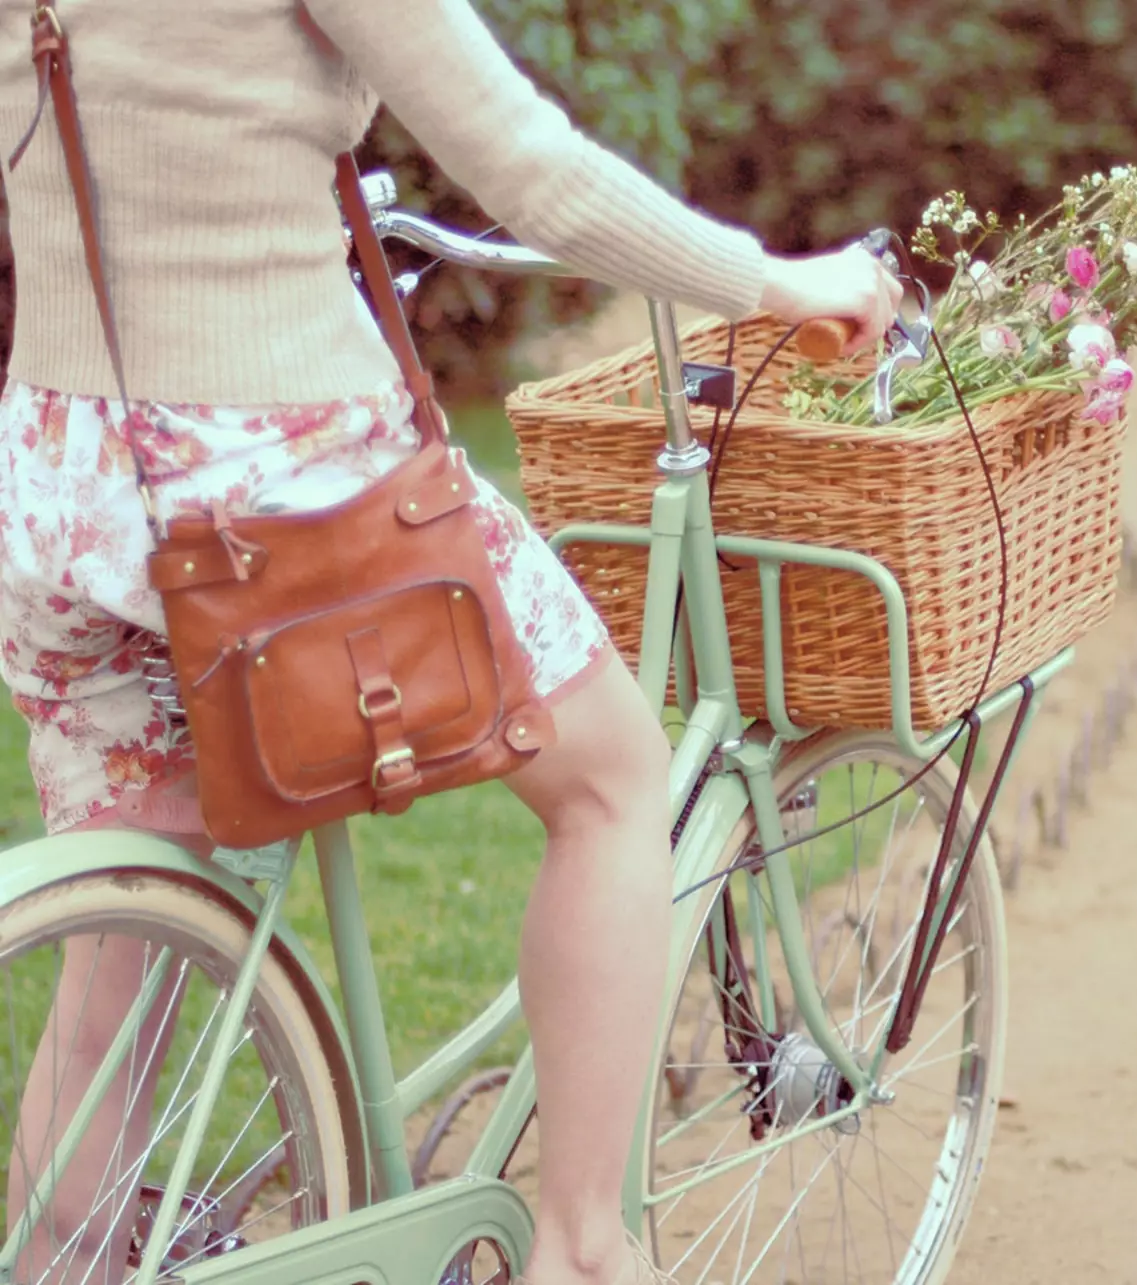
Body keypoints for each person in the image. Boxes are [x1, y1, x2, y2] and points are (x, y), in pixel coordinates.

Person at [0, 0, 902, 1282]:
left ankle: (53, 1261)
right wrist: (782, 284)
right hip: (270, 468)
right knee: (612, 780)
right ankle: (588, 1246)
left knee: (124, 942)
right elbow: (532, 173)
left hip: (60, 476)